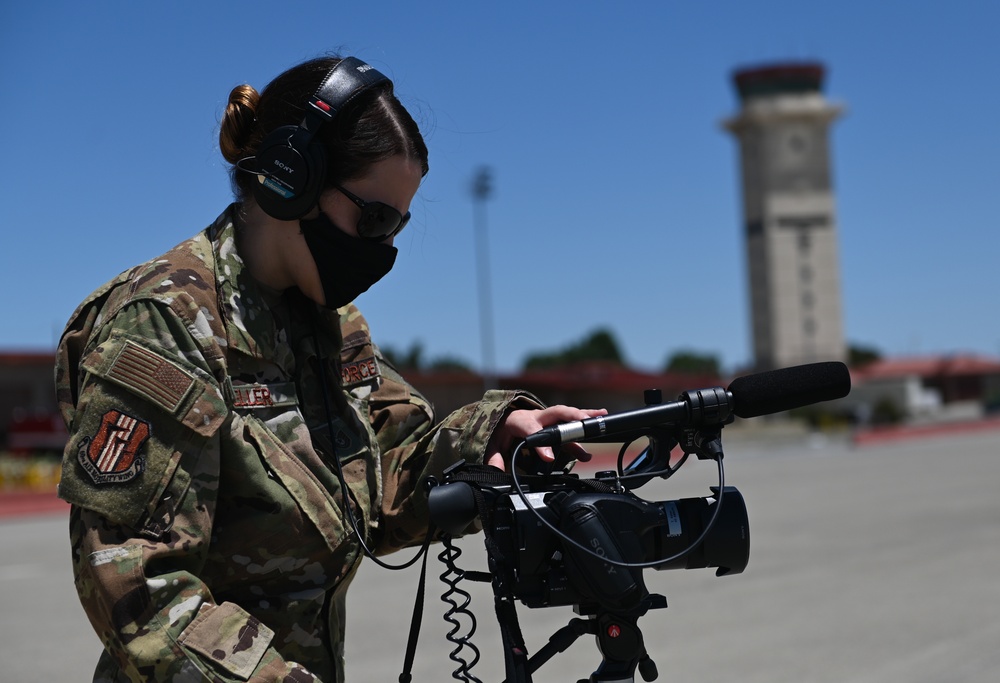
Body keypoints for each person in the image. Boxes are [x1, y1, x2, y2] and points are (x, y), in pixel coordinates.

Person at [54, 55, 605, 682]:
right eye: (372, 219)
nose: (383, 249)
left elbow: (381, 489)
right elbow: (135, 586)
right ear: (293, 178)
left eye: (396, 226)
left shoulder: (332, 326)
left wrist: (491, 439)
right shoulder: (166, 323)